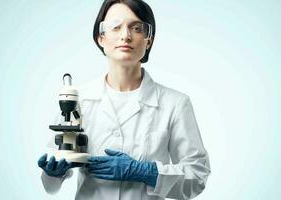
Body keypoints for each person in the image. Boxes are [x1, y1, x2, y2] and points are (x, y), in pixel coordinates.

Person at [38, 0, 211, 199]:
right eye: (115, 27)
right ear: (100, 38)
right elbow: (50, 186)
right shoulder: (77, 100)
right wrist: (54, 172)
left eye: (136, 28)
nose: (125, 35)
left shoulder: (175, 104)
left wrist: (146, 172)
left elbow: (197, 177)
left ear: (148, 40)